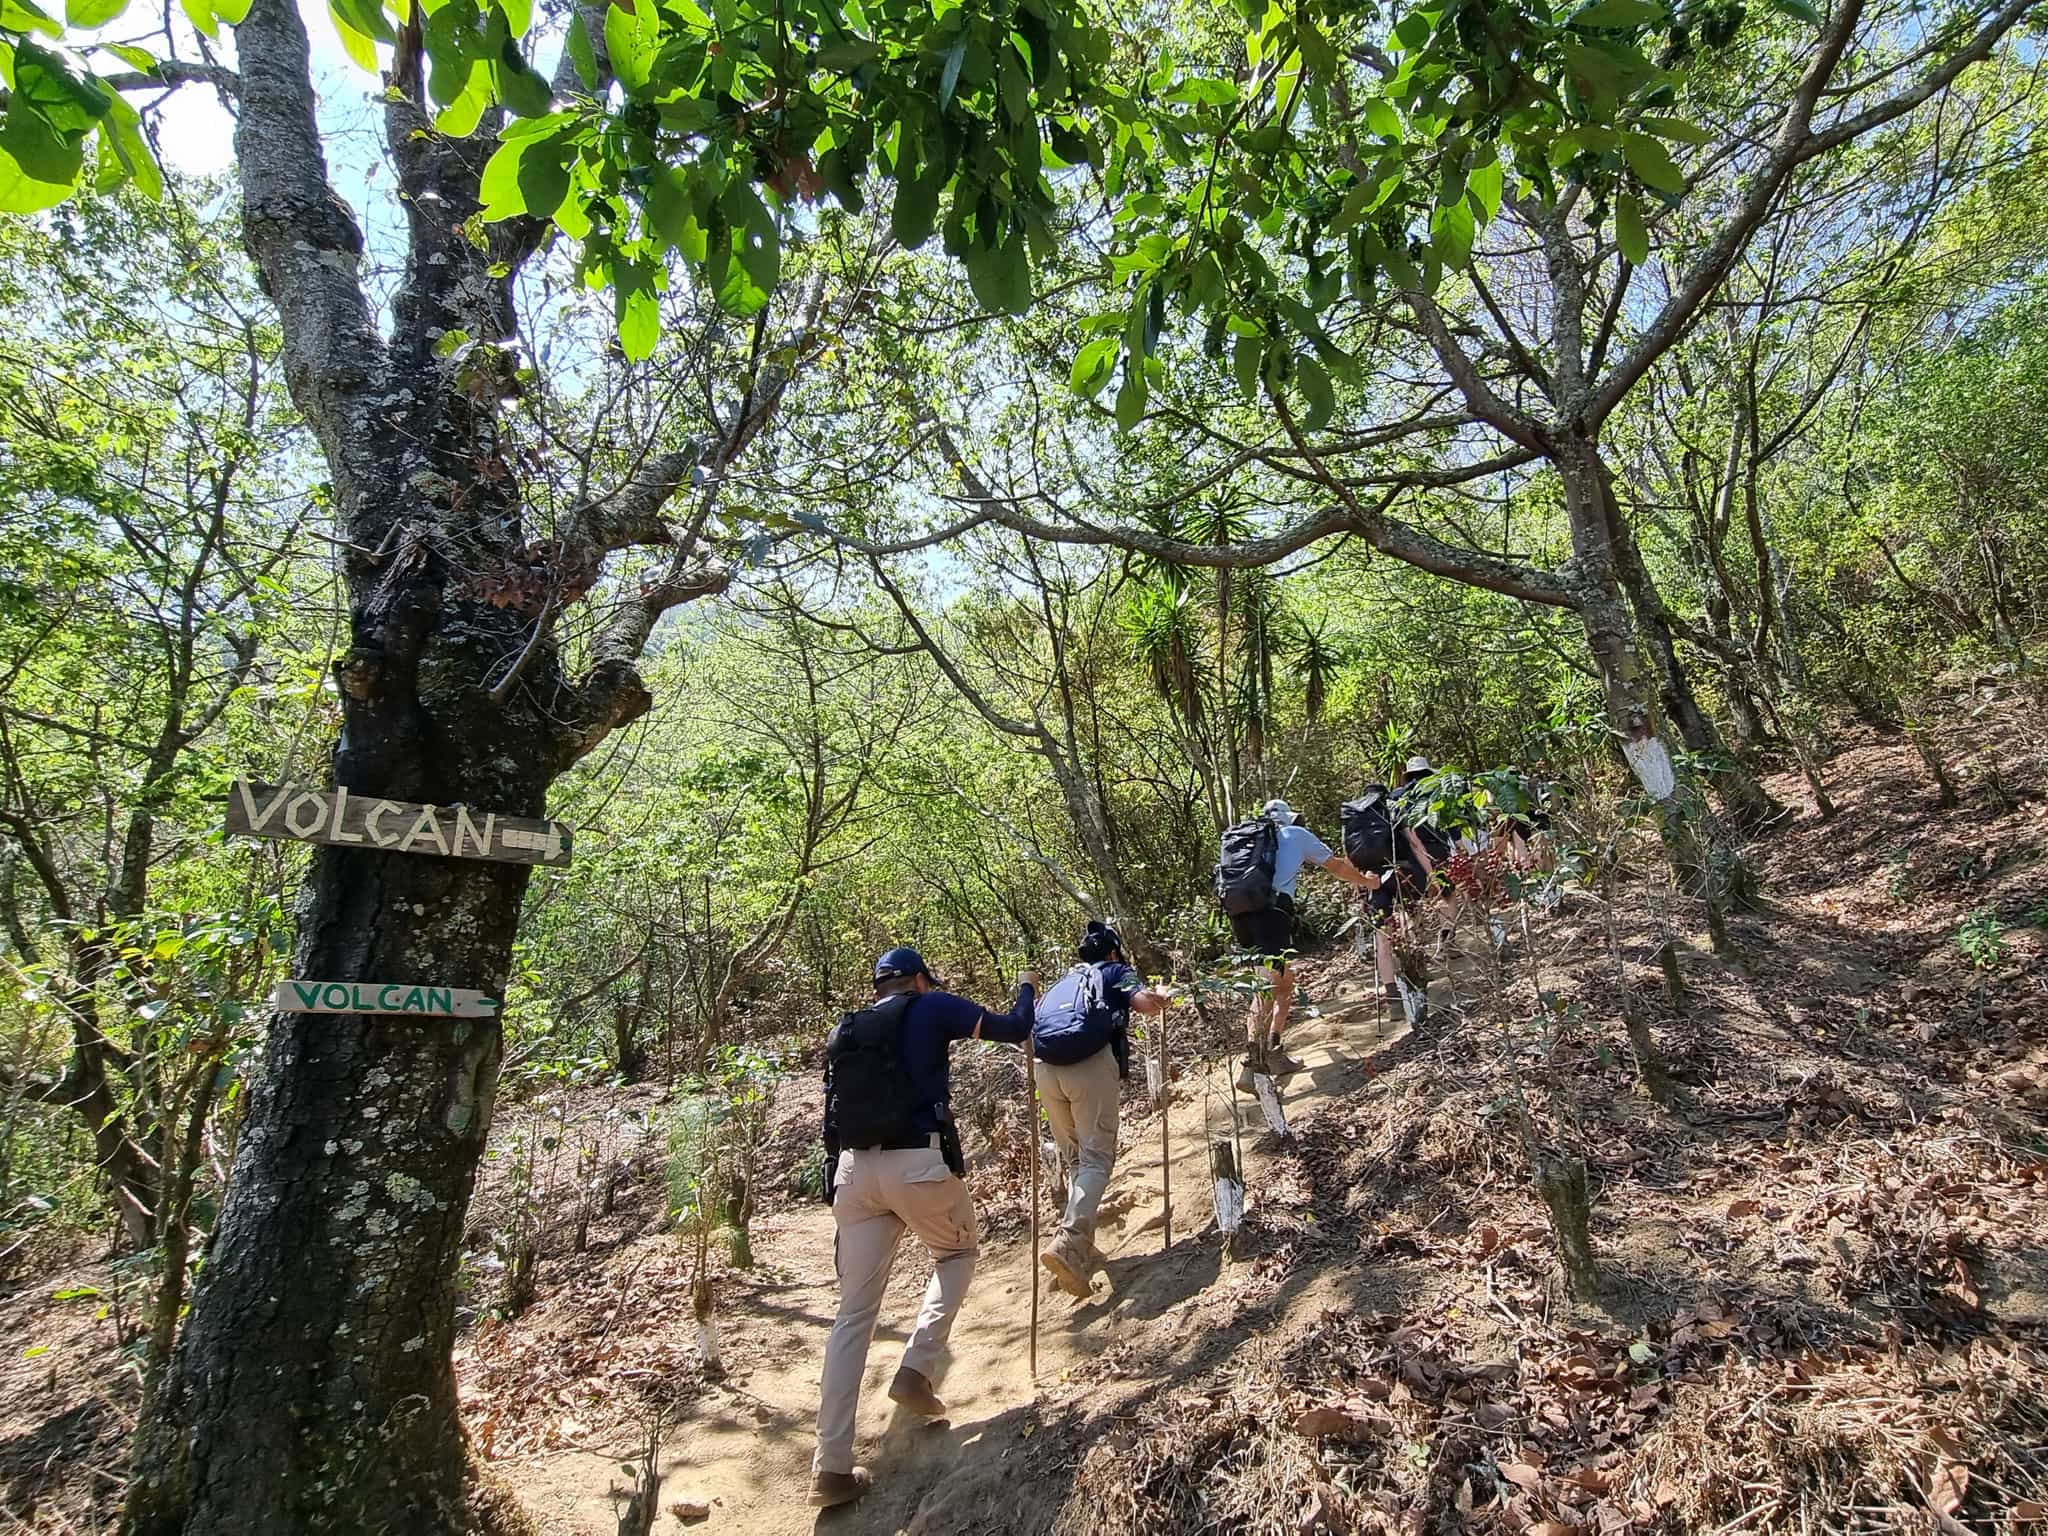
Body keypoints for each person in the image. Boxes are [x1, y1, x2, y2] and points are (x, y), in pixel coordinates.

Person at [810, 947, 1038, 1509]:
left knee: (853, 1316)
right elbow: (1016, 1028)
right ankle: (918, 1365)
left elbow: (832, 1117)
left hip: (853, 1174)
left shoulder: (849, 1030)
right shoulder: (932, 1007)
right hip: (916, 1164)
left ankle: (831, 1467)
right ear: (917, 979)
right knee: (956, 1255)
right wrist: (1028, 985)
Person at [1032, 920, 1172, 1299]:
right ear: (1112, 952)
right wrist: (1162, 995)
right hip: (1089, 1067)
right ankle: (1069, 1242)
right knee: (1096, 1159)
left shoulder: (1065, 982)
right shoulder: (1116, 971)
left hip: (1045, 1070)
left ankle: (1081, 1248)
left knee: (1077, 1158)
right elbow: (1146, 1006)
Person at [1224, 798, 1371, 1088]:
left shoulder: (1245, 842)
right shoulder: (1295, 835)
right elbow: (1337, 867)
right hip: (1272, 915)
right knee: (1265, 989)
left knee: (1284, 986)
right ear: (1288, 818)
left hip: (1240, 917)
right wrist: (1369, 883)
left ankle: (1274, 1050)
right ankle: (1252, 1066)